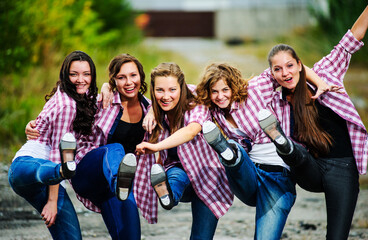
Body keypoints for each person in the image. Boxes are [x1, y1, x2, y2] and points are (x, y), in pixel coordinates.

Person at [255, 6, 368, 240]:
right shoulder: (277, 98)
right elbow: (243, 88)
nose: (285, 73)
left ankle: (284, 144)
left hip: (343, 168)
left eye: (289, 65)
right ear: (272, 73)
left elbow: (352, 38)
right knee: (295, 152)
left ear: (299, 64)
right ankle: (282, 142)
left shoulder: (326, 72)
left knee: (337, 237)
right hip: (309, 168)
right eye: (278, 69)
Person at [25, 53, 152, 240]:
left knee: (130, 236)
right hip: (87, 170)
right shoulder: (102, 102)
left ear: (141, 76)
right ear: (113, 80)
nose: (128, 82)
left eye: (133, 75)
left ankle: (120, 186)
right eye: (121, 77)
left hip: (118, 189)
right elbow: (57, 123)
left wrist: (154, 112)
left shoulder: (150, 109)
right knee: (115, 149)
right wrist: (33, 124)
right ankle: (119, 182)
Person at [134, 62, 233, 239]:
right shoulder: (155, 111)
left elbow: (191, 130)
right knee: (176, 175)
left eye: (172, 90)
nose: (166, 96)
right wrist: (151, 111)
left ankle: (169, 194)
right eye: (160, 90)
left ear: (182, 88)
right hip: (179, 173)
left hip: (207, 176)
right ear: (153, 90)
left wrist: (155, 147)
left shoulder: (197, 103)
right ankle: (168, 196)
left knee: (201, 237)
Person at [8, 50, 98, 240]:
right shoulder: (68, 105)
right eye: (74, 74)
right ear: (66, 76)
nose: (80, 79)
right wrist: (51, 201)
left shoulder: (78, 95)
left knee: (71, 237)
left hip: (46, 180)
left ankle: (63, 171)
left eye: (86, 74)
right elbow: (56, 154)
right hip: (28, 166)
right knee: (45, 168)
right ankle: (63, 171)